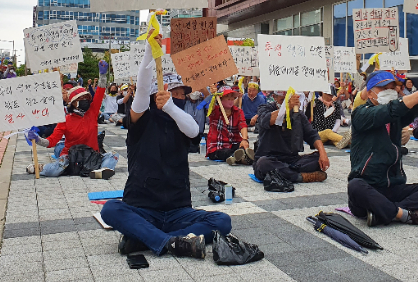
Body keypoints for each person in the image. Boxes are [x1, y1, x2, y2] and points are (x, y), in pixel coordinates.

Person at [101, 36, 231, 258]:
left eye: (182, 94)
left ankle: (146, 237)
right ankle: (170, 242)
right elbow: (141, 89)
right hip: (142, 207)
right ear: (157, 93)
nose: (180, 97)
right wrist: (151, 49)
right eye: (175, 92)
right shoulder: (141, 118)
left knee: (222, 221)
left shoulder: (181, 118)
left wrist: (171, 107)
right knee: (111, 209)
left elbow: (193, 131)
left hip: (178, 209)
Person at [347, 70, 418, 227]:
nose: (390, 92)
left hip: (394, 189)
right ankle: (406, 214)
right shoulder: (361, 114)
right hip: (368, 188)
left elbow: (413, 108)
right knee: (355, 186)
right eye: (383, 88)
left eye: (392, 88)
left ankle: (387, 212)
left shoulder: (396, 117)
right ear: (369, 93)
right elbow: (390, 110)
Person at [25, 61, 119, 177]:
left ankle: (103, 170)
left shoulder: (92, 112)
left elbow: (99, 92)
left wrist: (102, 75)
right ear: (73, 103)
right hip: (71, 157)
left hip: (91, 155)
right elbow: (52, 141)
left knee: (113, 156)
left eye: (86, 97)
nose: (85, 100)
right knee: (56, 170)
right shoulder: (65, 120)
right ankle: (40, 168)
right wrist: (37, 139)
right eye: (81, 98)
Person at [253, 91, 330, 184]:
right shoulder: (265, 108)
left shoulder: (298, 113)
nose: (286, 101)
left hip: (292, 160)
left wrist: (323, 154)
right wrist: (287, 107)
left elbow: (311, 134)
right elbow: (266, 120)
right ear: (274, 97)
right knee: (263, 164)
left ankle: (286, 172)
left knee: (318, 158)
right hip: (269, 157)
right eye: (283, 100)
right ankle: (300, 176)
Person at [205, 86, 253, 165]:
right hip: (217, 146)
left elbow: (243, 124)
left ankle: (240, 157)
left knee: (241, 148)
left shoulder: (238, 111)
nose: (230, 101)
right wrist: (212, 94)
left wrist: (244, 139)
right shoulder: (215, 111)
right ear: (221, 99)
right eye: (227, 98)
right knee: (226, 152)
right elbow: (210, 106)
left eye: (232, 98)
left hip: (233, 143)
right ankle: (240, 158)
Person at [311, 85, 351, 149]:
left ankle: (351, 144)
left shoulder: (335, 105)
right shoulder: (316, 103)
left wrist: (333, 131)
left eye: (332, 95)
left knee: (337, 141)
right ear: (324, 93)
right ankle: (351, 142)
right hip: (318, 133)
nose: (331, 97)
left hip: (331, 133)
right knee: (328, 132)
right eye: (329, 95)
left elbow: (338, 121)